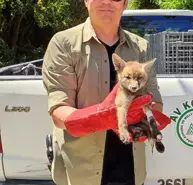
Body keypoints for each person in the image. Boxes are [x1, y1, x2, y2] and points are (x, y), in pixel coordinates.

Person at [41, 0, 171, 185]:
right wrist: (105, 116)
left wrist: (143, 118)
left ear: (125, 4)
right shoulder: (64, 44)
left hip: (131, 168)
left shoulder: (141, 46)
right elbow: (59, 112)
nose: (107, 2)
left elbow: (155, 102)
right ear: (86, 1)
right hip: (82, 170)